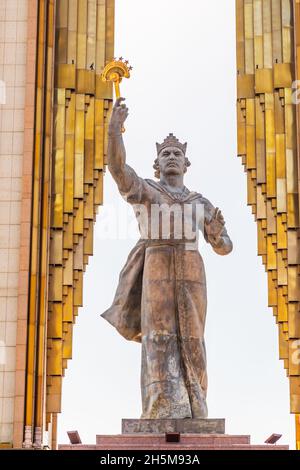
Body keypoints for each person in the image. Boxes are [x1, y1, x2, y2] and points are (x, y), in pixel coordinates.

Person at [101, 98, 233, 419]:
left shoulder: (199, 201)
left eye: (177, 154)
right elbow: (118, 170)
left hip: (192, 271)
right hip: (157, 266)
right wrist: (114, 131)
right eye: (165, 154)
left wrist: (216, 234)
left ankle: (196, 410)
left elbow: (225, 247)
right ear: (157, 165)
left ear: (186, 163)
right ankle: (160, 411)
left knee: (192, 340)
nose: (171, 157)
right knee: (159, 341)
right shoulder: (147, 191)